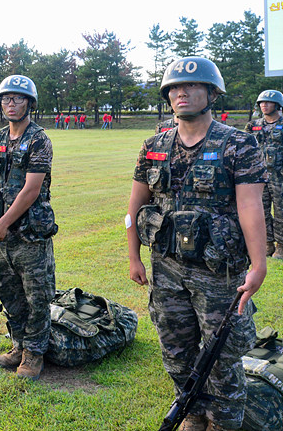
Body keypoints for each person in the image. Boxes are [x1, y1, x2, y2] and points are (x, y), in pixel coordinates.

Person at [126, 56, 266, 431]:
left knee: (221, 354)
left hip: (218, 272)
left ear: (211, 93)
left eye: (191, 86)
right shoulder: (154, 145)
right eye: (173, 88)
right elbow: (135, 206)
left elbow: (251, 206)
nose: (181, 93)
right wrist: (133, 257)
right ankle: (192, 411)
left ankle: (223, 421)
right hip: (166, 268)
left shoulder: (238, 144)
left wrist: (257, 265)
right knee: (175, 347)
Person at [0, 75, 56, 381]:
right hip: (2, 233)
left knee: (36, 296)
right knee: (9, 294)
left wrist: (2, 223)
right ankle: (18, 345)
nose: (11, 104)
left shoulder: (39, 140)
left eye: (18, 99)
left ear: (30, 103)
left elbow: (31, 190)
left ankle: (34, 354)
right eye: (6, 99)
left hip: (30, 233)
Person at [245, 90, 283, 258]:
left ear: (277, 105)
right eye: (261, 103)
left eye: (268, 102)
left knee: (281, 210)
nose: (264, 105)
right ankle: (267, 243)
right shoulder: (253, 125)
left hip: (279, 175)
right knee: (261, 210)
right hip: (259, 175)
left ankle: (281, 245)